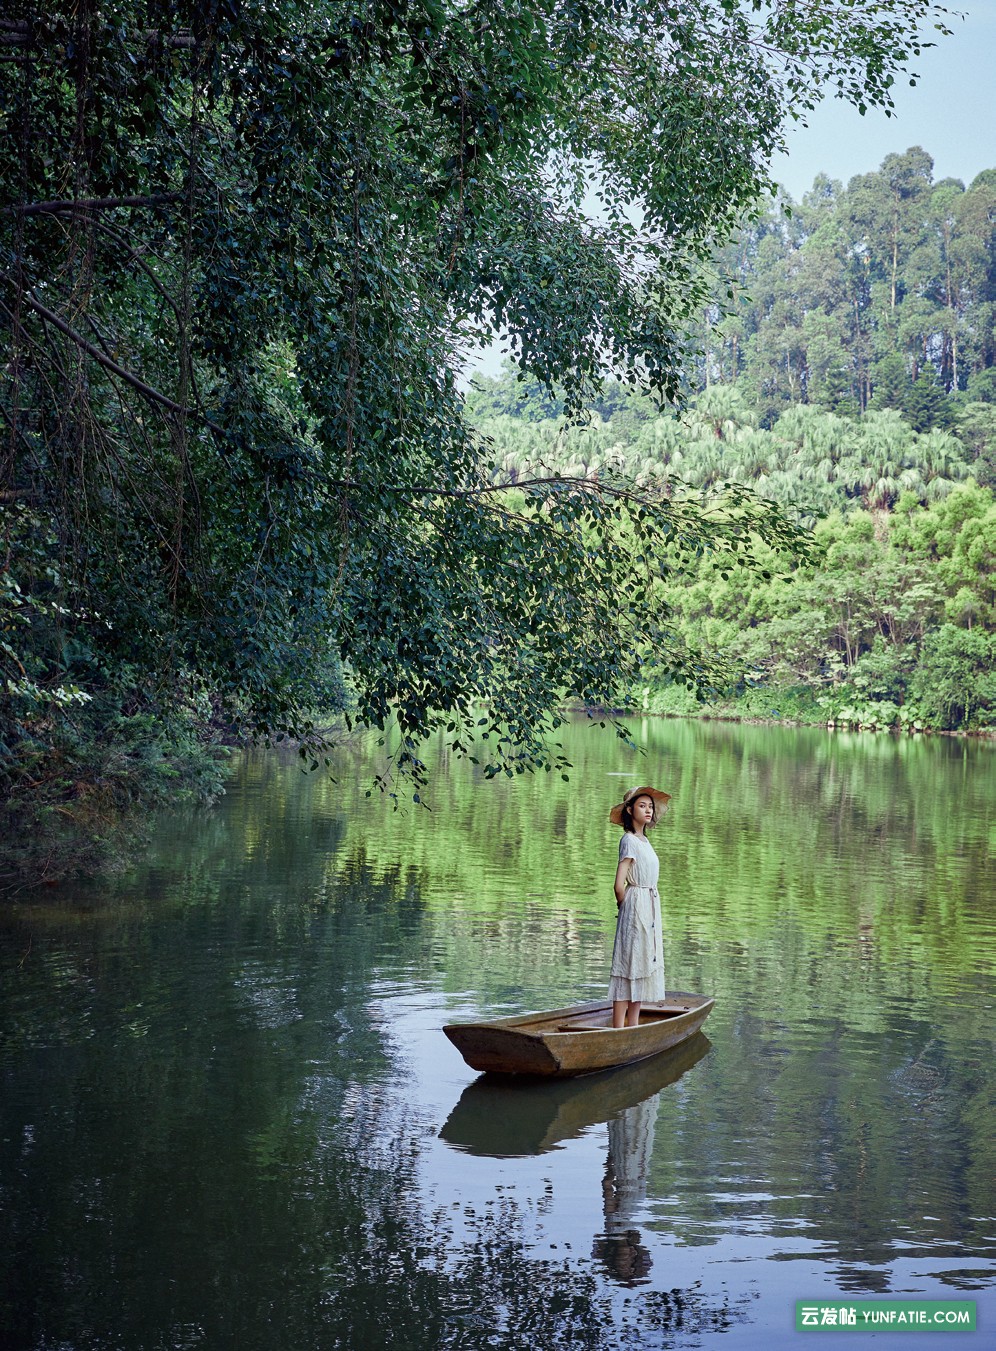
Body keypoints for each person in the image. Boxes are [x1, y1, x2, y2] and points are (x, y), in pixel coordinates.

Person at [608, 785, 670, 1030]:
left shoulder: (644, 840)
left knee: (642, 963)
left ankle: (633, 1026)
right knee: (628, 964)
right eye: (642, 805)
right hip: (635, 905)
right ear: (630, 810)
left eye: (650, 806)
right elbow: (618, 884)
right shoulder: (629, 840)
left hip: (650, 904)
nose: (648, 809)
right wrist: (627, 909)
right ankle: (618, 1029)